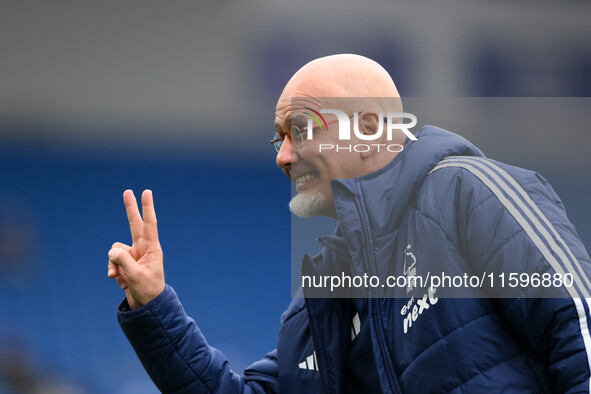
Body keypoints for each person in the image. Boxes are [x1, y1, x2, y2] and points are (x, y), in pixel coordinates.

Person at [108, 54, 591, 393]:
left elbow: (579, 327)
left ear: (367, 129)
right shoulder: (318, 301)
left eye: (299, 130)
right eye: (277, 138)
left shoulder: (469, 191)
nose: (282, 156)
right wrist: (154, 308)